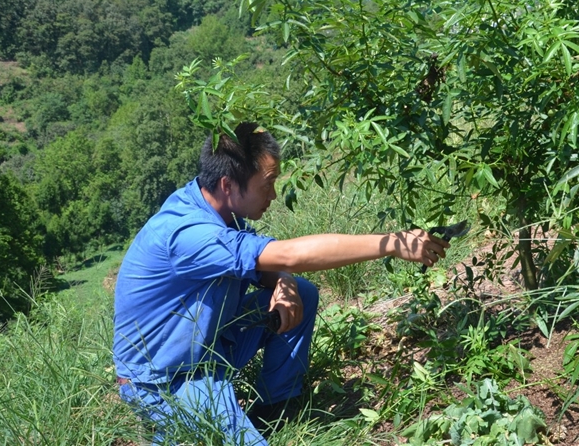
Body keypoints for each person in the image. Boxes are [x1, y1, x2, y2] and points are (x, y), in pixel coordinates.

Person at [112, 122, 449, 445]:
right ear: (228, 184)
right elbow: (285, 255)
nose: (273, 194)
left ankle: (274, 409)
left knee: (301, 292)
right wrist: (390, 243)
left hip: (210, 345)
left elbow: (262, 264)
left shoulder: (213, 204)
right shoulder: (188, 234)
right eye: (267, 183)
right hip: (165, 379)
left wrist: (283, 282)